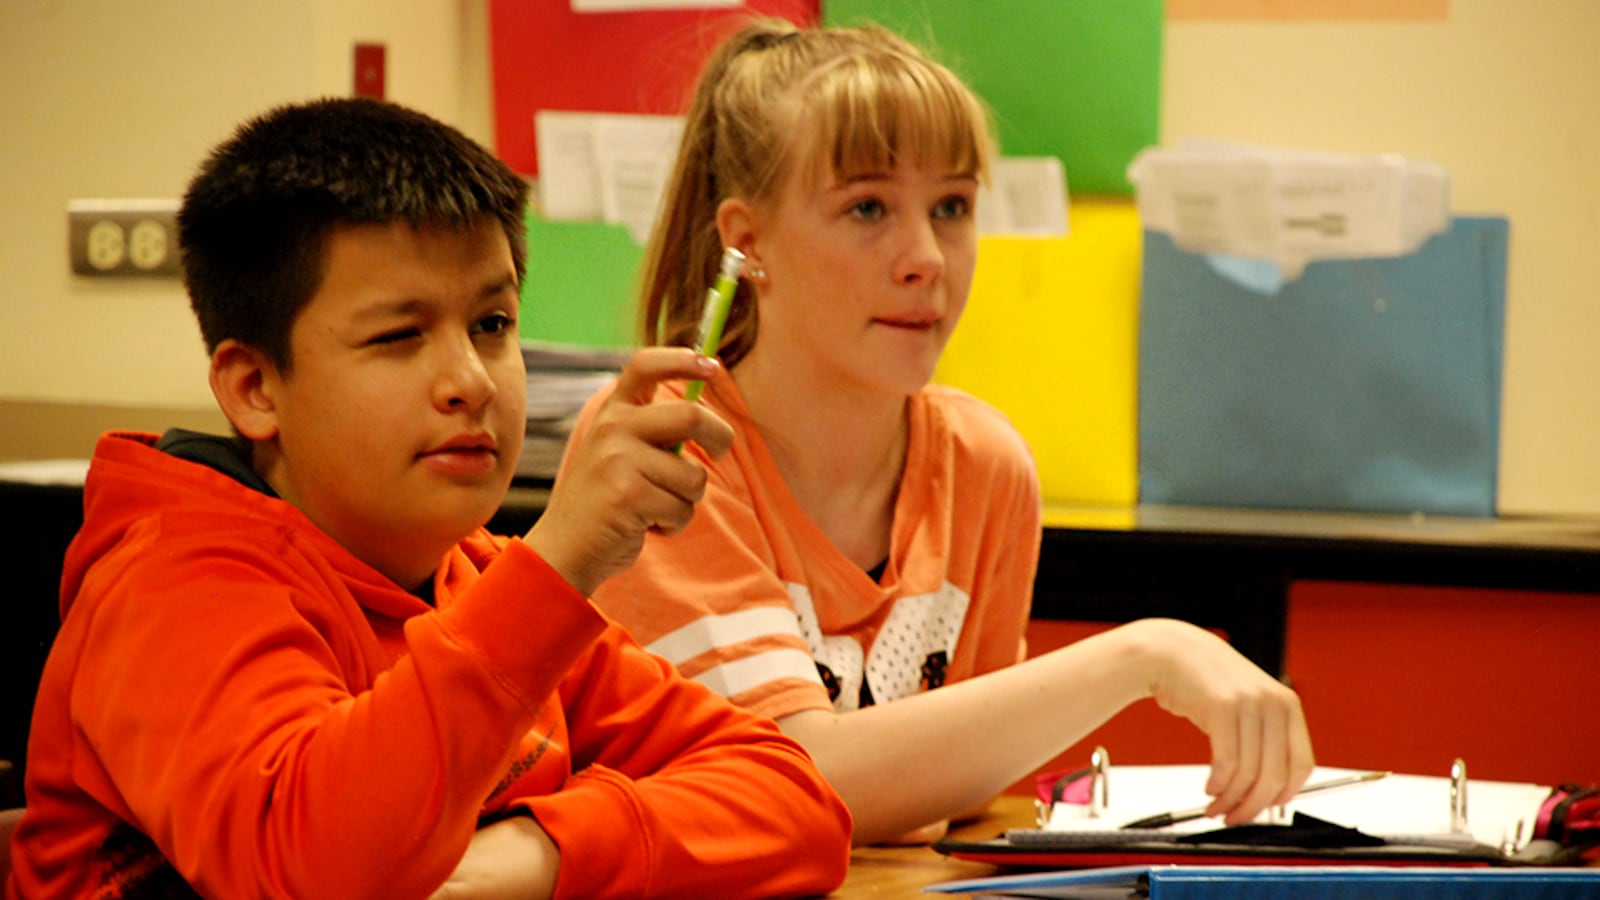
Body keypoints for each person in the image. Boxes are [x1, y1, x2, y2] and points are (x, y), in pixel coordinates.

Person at [5, 97, 851, 899]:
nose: (471, 381)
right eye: (399, 336)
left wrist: (541, 853)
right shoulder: (168, 593)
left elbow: (795, 802)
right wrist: (559, 564)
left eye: (492, 324)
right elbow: (318, 871)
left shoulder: (478, 576)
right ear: (256, 387)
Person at [566, 19, 1316, 847]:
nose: (927, 257)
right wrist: (1148, 653)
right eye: (867, 208)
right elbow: (795, 785)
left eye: (952, 206)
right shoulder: (665, 446)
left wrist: (906, 783)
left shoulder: (986, 465)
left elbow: (957, 790)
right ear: (747, 242)